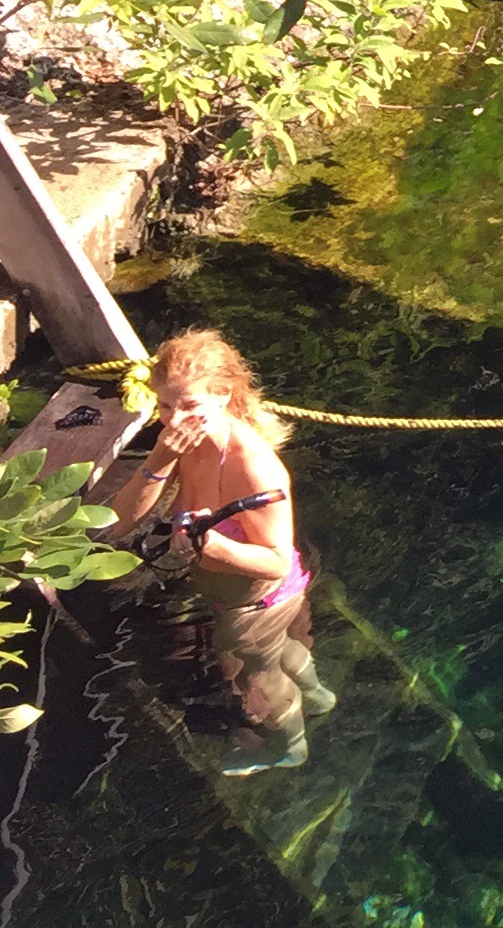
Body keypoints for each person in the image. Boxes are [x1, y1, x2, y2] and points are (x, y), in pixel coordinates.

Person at [103, 330, 332, 774]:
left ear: (223, 394)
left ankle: (291, 747)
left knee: (257, 676)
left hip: (257, 601)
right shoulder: (183, 440)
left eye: (188, 405)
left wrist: (212, 544)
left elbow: (276, 560)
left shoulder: (252, 464)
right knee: (276, 650)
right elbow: (121, 522)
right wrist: (158, 462)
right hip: (235, 594)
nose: (173, 419)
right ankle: (320, 696)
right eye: (165, 406)